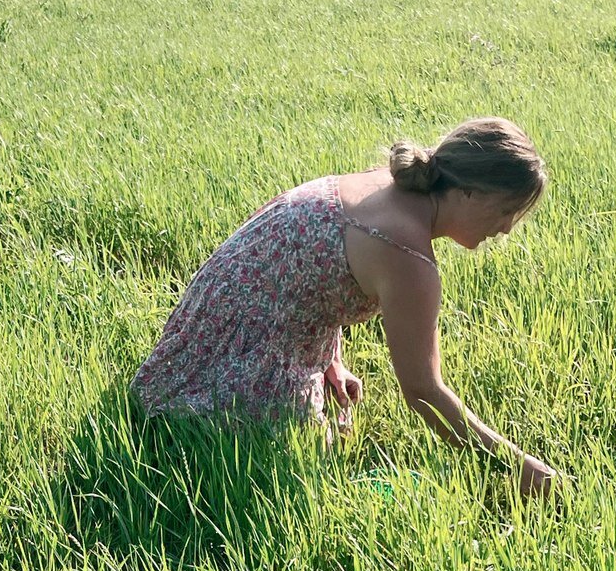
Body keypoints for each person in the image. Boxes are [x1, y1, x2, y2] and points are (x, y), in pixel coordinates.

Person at [131, 119, 559, 496]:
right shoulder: (408, 258)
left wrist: (330, 361)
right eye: (505, 211)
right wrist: (517, 465)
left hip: (209, 319)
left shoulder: (386, 185)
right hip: (241, 355)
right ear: (468, 191)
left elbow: (308, 274)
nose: (505, 229)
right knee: (305, 474)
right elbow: (424, 393)